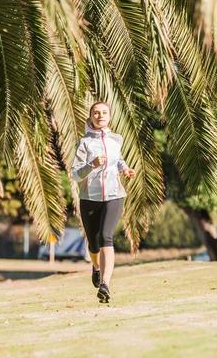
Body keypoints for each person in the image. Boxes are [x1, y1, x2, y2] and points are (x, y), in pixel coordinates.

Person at [72, 102, 136, 303]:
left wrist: (125, 169)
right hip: (89, 198)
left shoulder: (117, 139)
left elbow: (118, 159)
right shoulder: (84, 143)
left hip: (114, 195)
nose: (101, 116)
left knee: (106, 237)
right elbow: (76, 174)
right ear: (91, 116)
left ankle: (105, 285)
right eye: (96, 113)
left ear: (109, 115)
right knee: (94, 243)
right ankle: (96, 266)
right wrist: (92, 165)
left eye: (104, 113)